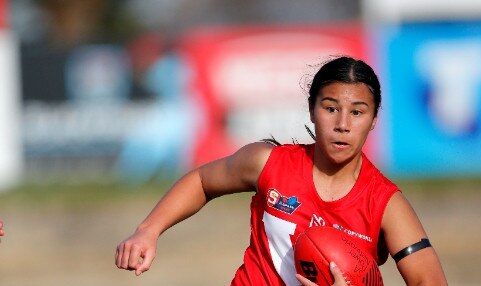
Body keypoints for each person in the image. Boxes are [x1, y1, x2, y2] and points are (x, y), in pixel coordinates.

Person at [115, 56, 447, 285]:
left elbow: (427, 280)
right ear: (312, 111)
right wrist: (148, 229)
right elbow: (202, 181)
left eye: (357, 113)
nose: (343, 125)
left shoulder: (387, 204)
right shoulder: (268, 162)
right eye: (331, 108)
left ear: (374, 120)